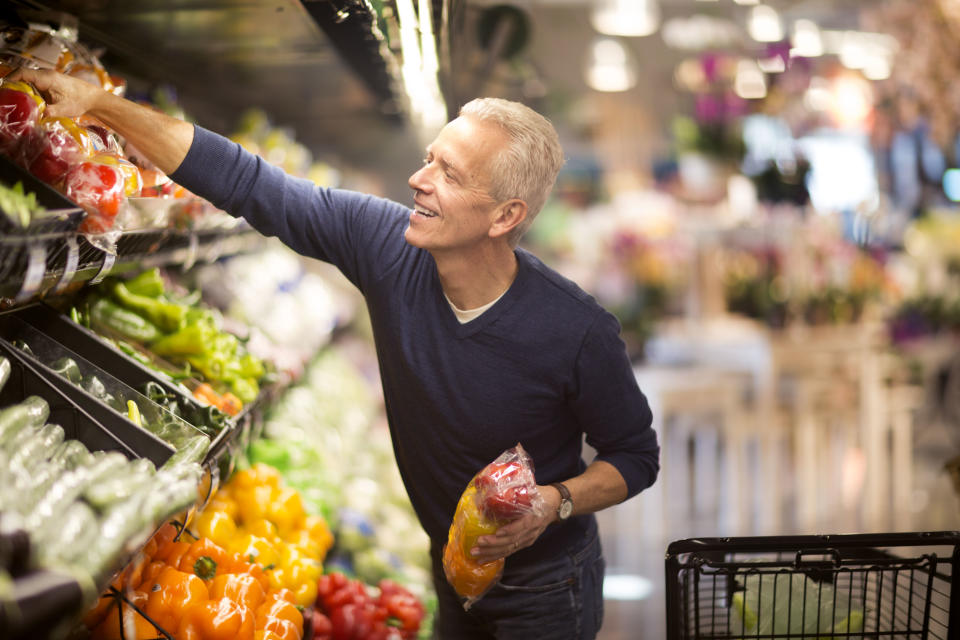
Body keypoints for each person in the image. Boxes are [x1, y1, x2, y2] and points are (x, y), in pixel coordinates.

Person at [10, 67, 660, 640]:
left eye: (448, 173)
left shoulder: (575, 330)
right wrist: (99, 103)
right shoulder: (388, 246)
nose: (417, 179)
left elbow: (636, 456)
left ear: (503, 217)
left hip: (548, 589)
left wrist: (557, 501)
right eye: (429, 157)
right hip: (450, 567)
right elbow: (250, 183)